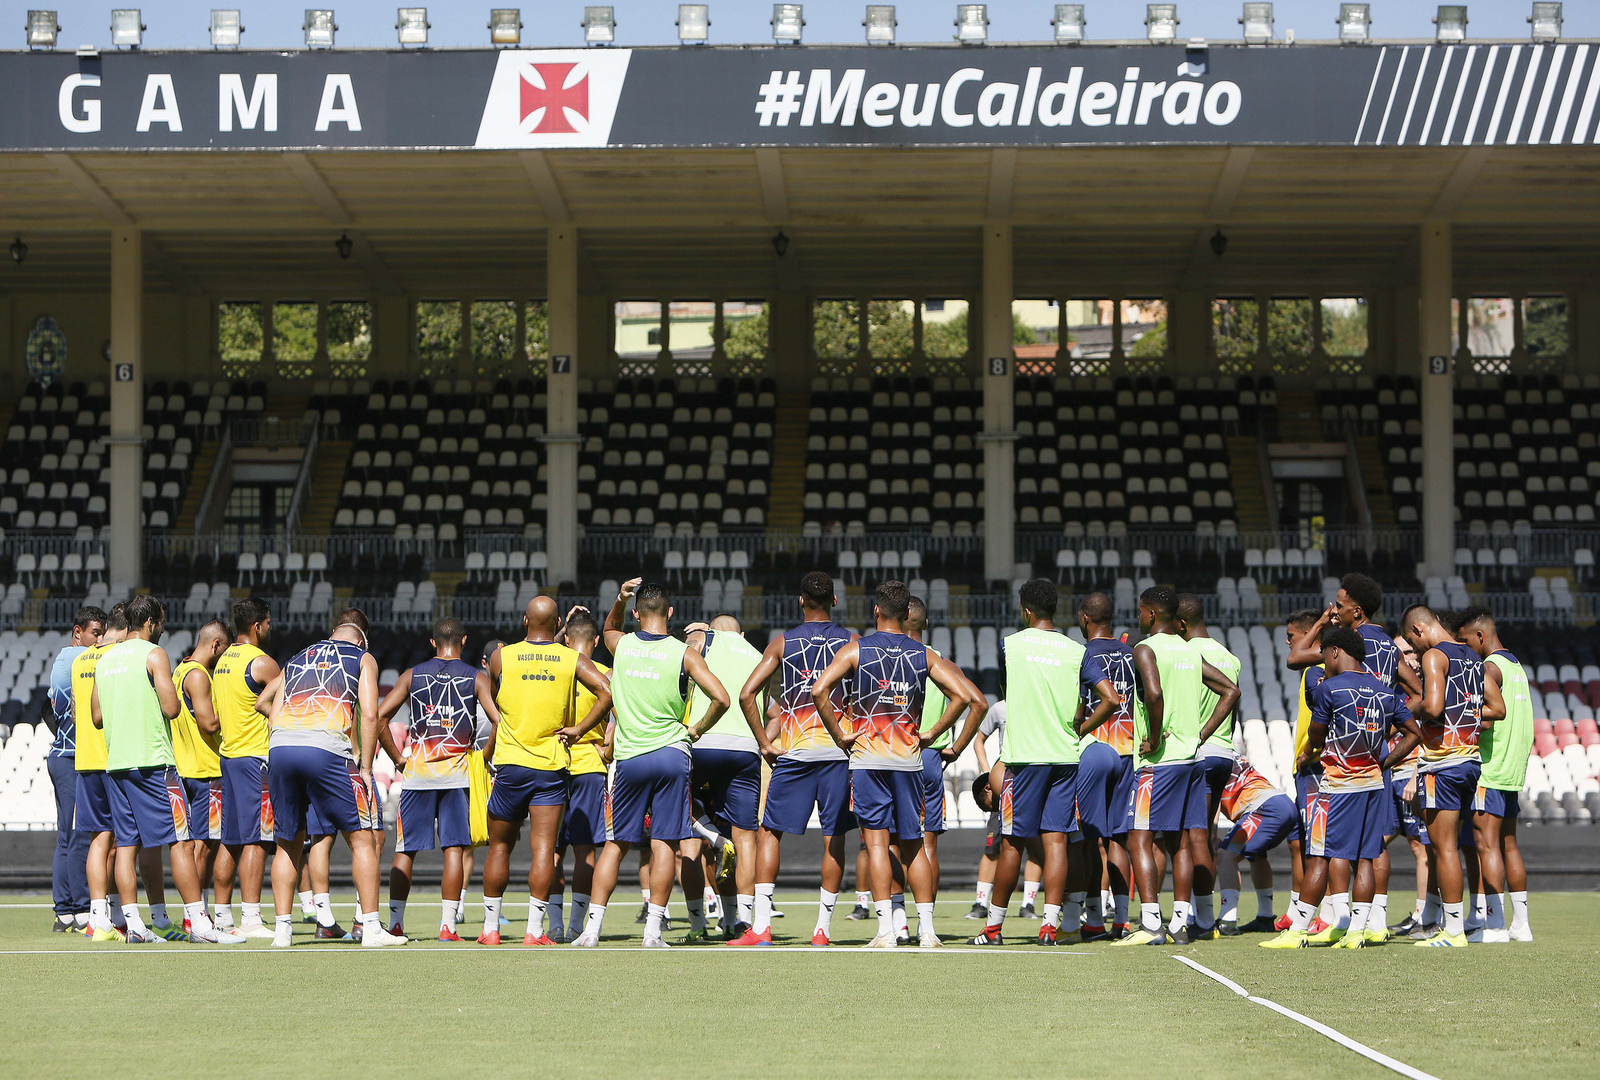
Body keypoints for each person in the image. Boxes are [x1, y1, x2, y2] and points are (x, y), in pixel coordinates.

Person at [810, 579, 986, 949]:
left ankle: (886, 932)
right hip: (909, 760)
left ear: (876, 610)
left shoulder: (856, 649)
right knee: (915, 845)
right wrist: (932, 733)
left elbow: (818, 690)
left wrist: (840, 735)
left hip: (868, 759)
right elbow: (965, 698)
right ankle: (928, 932)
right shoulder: (924, 654)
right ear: (907, 614)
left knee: (876, 845)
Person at [564, 579, 729, 948]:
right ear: (670, 612)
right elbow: (721, 697)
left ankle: (591, 931)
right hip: (672, 754)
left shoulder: (621, 645)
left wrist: (620, 600)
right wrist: (697, 729)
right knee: (664, 843)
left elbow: (609, 627)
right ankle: (652, 932)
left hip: (630, 757)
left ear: (637, 613)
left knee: (615, 844)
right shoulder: (685, 653)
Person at [971, 579, 1114, 947]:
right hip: (1064, 757)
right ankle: (1050, 927)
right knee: (1056, 843)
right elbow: (1111, 699)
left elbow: (1008, 693)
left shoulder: (1010, 645)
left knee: (1012, 846)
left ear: (1026, 611)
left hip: (1024, 759)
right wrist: (1081, 729)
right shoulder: (1075, 650)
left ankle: (993, 929)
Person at [94, 595, 244, 945]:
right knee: (181, 841)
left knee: (127, 844)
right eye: (160, 622)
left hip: (117, 763)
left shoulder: (106, 658)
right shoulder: (154, 654)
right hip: (153, 761)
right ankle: (200, 924)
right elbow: (172, 707)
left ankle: (134, 924)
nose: (161, 628)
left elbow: (97, 717)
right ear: (150, 622)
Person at [1262, 626, 1420, 948]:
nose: (1324, 663)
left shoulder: (1329, 689)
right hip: (1373, 785)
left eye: (1325, 656)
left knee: (1319, 857)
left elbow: (1316, 738)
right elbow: (1414, 733)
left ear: (1334, 652)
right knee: (1365, 858)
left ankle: (1297, 932)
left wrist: (1307, 754)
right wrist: (1383, 763)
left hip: (1336, 786)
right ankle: (1356, 933)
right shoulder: (1385, 691)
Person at [259, 609, 404, 948]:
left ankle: (282, 931)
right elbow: (370, 715)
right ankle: (371, 928)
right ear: (361, 638)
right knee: (362, 839)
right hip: (325, 748)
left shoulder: (298, 657)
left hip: (280, 747)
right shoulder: (362, 658)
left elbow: (269, 710)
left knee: (287, 844)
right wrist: (365, 766)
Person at [727, 572, 856, 948]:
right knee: (834, 838)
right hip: (838, 753)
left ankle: (762, 928)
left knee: (769, 833)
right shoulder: (852, 641)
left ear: (801, 601)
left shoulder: (783, 642)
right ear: (834, 601)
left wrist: (764, 743)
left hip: (795, 752)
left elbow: (747, 694)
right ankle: (822, 931)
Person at [1116, 585, 1240, 946]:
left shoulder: (1145, 649)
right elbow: (1231, 691)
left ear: (1151, 614)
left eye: (1141, 611)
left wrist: (1154, 739)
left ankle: (1151, 923)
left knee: (1138, 838)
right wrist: (1200, 734)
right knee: (1181, 842)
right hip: (1192, 760)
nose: (1139, 617)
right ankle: (1179, 925)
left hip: (1159, 763)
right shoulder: (1189, 650)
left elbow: (1153, 693)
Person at [482, 598, 611, 945]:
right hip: (550, 767)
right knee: (543, 850)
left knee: (499, 848)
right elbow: (606, 692)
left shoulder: (501, 657)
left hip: (510, 763)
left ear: (525, 620)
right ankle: (535, 931)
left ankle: (490, 929)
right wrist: (579, 729)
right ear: (558, 625)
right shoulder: (571, 659)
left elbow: (497, 696)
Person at [376, 617, 504, 942]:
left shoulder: (411, 675)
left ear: (433, 642)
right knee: (454, 851)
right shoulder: (476, 677)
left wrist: (398, 758)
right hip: (457, 777)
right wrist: (484, 756)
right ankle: (448, 927)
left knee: (405, 850)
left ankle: (395, 924)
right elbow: (498, 720)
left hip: (417, 776)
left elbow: (379, 717)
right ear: (464, 641)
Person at [1399, 604, 1485, 948]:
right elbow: (1497, 708)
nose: (1416, 651)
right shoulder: (1473, 657)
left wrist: (1403, 710)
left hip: (1442, 763)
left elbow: (1433, 707)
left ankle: (1452, 931)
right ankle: (1452, 925)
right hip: (1470, 760)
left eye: (1412, 643)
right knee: (1452, 845)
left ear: (1418, 630)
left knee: (1443, 848)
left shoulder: (1435, 656)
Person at [681, 613, 765, 943]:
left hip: (703, 741)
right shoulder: (758, 653)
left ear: (710, 629)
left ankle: (697, 925)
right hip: (745, 749)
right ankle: (741, 921)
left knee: (685, 830)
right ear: (740, 634)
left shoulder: (701, 640)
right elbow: (769, 708)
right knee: (745, 838)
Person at [903, 595, 982, 939]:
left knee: (888, 842)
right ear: (926, 624)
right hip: (931, 758)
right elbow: (978, 703)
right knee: (928, 846)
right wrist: (955, 747)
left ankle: (896, 924)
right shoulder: (940, 662)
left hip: (893, 755)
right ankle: (927, 925)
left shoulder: (884, 657)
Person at [1458, 607, 1533, 943]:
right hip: (1512, 770)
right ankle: (1521, 924)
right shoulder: (1516, 666)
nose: (1464, 648)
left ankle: (1495, 925)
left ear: (1480, 636)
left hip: (1489, 768)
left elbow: (1486, 721)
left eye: (1465, 641)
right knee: (1508, 845)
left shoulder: (1488, 667)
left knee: (1485, 845)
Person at [211, 597, 281, 938]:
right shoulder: (262, 663)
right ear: (257, 626)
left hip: (229, 756)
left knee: (230, 839)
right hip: (256, 758)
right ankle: (251, 918)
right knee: (257, 839)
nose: (270, 628)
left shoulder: (222, 660)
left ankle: (222, 914)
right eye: (267, 623)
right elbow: (285, 704)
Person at [1074, 592, 1138, 938]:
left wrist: (1082, 728)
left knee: (1089, 838)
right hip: (1129, 752)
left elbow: (1079, 706)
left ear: (1085, 618)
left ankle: (1095, 918)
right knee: (1119, 839)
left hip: (1094, 751)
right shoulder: (1134, 653)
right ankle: (1122, 919)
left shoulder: (1081, 655)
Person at [45, 605, 104, 932]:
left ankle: (65, 910)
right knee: (78, 833)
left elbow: (50, 707)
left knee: (66, 835)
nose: (99, 640)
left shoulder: (64, 659)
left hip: (63, 753)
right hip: (70, 756)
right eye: (95, 633)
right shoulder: (77, 658)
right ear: (77, 631)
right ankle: (81, 908)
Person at [170, 620, 230, 932]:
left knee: (197, 843)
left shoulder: (179, 670)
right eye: (224, 650)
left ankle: (196, 912)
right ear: (216, 645)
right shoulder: (198, 675)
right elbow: (208, 723)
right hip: (206, 770)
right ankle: (195, 915)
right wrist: (235, 712)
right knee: (203, 845)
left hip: (185, 767)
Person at [72, 602, 127, 941]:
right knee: (119, 841)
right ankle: (113, 915)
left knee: (99, 839)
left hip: (85, 757)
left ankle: (99, 916)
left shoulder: (80, 661)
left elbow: (75, 711)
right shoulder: (115, 660)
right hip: (111, 756)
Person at [553, 613, 608, 943]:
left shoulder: (552, 671)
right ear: (596, 641)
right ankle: (577, 925)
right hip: (590, 766)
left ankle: (553, 925)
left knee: (550, 849)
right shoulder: (604, 674)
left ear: (566, 640)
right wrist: (608, 748)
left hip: (553, 764)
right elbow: (622, 716)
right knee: (585, 852)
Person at [1277, 607, 1329, 932]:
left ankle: (1327, 914)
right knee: (1298, 840)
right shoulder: (1313, 668)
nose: (1288, 642)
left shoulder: (1318, 670)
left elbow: (1325, 720)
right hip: (1305, 766)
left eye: (1292, 635)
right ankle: (1296, 908)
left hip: (1316, 765)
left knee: (1319, 842)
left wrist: (1310, 751)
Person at [1177, 595, 1243, 844]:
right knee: (1207, 836)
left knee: (1193, 839)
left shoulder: (1186, 654)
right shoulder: (1230, 657)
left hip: (1198, 753)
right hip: (1224, 753)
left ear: (1181, 623)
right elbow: (1233, 710)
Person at [1213, 755, 1297, 934]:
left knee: (1226, 855)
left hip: (1266, 808)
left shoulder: (1210, 758)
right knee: (1257, 855)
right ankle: (1265, 917)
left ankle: (1227, 921)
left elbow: (1213, 797)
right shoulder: (1228, 753)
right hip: (1282, 802)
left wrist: (1212, 834)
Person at [1387, 632, 1434, 936]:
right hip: (1392, 775)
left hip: (1411, 774)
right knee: (1374, 842)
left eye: (1409, 652)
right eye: (1399, 653)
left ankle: (1423, 914)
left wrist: (1417, 774)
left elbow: (1431, 735)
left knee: (1421, 848)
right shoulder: (1393, 687)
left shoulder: (1429, 688)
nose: (1406, 659)